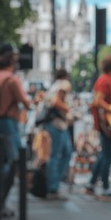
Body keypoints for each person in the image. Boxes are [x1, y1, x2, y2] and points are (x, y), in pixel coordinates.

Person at [0, 43, 31, 217]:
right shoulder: (12, 80)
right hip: (9, 124)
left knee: (1, 164)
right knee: (12, 165)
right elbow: (25, 102)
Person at [85, 54, 111, 197]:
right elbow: (98, 101)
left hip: (106, 123)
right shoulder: (105, 81)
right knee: (108, 156)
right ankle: (106, 186)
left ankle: (92, 183)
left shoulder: (106, 80)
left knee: (104, 155)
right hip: (106, 125)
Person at [43, 69, 73, 200]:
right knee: (57, 155)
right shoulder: (64, 84)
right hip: (57, 124)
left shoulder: (55, 85)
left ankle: (54, 184)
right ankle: (52, 187)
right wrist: (68, 109)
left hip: (56, 124)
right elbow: (56, 102)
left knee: (66, 152)